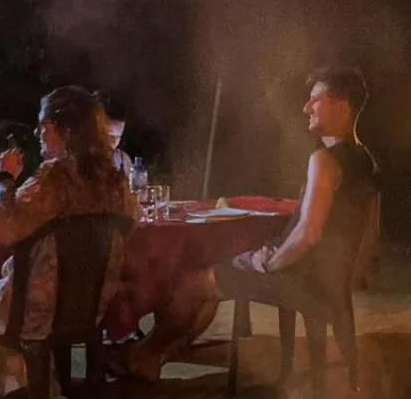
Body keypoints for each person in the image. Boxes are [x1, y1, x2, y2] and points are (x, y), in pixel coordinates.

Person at [127, 67, 379, 380]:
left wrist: (267, 264)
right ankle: (153, 359)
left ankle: (145, 354)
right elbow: (371, 229)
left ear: (342, 107)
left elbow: (307, 234)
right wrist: (348, 277)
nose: (306, 107)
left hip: (299, 279)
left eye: (316, 99)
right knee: (216, 276)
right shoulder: (366, 160)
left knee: (195, 282)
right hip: (327, 281)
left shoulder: (323, 160)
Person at [0, 86, 136, 399]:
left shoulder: (53, 178)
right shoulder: (113, 179)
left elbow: (3, 228)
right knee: (4, 305)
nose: (37, 132)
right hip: (89, 310)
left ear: (61, 129)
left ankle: (30, 396)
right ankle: (42, 388)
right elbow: (134, 220)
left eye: (42, 124)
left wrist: (3, 179)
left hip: (36, 310)